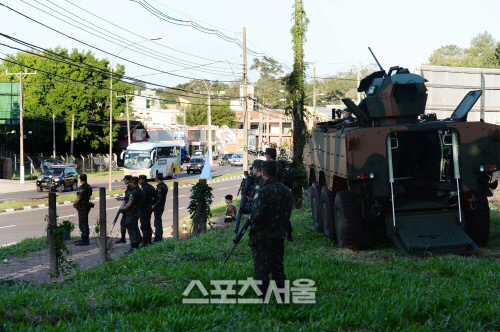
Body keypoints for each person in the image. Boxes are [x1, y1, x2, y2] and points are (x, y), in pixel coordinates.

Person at [249, 161, 293, 300]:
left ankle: (263, 299)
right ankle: (283, 297)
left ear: (263, 173)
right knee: (278, 268)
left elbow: (256, 216)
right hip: (279, 234)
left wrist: (251, 216)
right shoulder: (286, 190)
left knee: (261, 269)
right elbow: (288, 214)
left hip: (262, 236)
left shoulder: (262, 191)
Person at [120, 177, 143, 254]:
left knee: (131, 231)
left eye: (131, 183)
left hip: (131, 213)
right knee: (135, 229)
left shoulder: (133, 192)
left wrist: (123, 209)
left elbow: (129, 204)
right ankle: (136, 246)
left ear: (133, 183)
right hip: (137, 212)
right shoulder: (140, 191)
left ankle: (133, 248)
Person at [276, 160, 294, 242]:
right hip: (288, 194)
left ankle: (285, 235)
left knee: (282, 217)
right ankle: (288, 235)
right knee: (286, 217)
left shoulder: (281, 174)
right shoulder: (289, 173)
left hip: (282, 195)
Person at [73, 173, 93, 246]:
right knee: (85, 223)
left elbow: (79, 198)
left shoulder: (82, 188)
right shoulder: (89, 187)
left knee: (82, 224)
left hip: (82, 207)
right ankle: (86, 239)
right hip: (87, 206)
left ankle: (84, 240)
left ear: (80, 179)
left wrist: (74, 203)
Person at [139, 175, 158, 247]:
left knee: (144, 225)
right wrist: (151, 203)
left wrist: (147, 204)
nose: (139, 181)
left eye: (140, 179)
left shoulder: (144, 188)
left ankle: (145, 241)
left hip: (144, 209)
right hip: (148, 207)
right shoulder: (150, 187)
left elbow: (142, 200)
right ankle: (149, 241)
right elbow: (156, 197)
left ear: (143, 180)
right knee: (147, 225)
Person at [152, 173, 168, 242]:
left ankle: (158, 238)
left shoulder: (160, 187)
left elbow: (159, 198)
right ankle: (158, 237)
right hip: (161, 206)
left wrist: (154, 206)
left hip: (159, 206)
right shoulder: (164, 186)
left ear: (157, 178)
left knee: (157, 222)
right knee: (157, 221)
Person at [115, 175, 132, 244]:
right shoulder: (129, 188)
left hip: (129, 209)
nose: (124, 180)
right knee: (123, 223)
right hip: (127, 208)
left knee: (130, 225)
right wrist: (121, 198)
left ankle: (136, 240)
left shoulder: (131, 188)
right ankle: (123, 238)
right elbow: (127, 198)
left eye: (124, 179)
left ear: (128, 180)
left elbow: (130, 199)